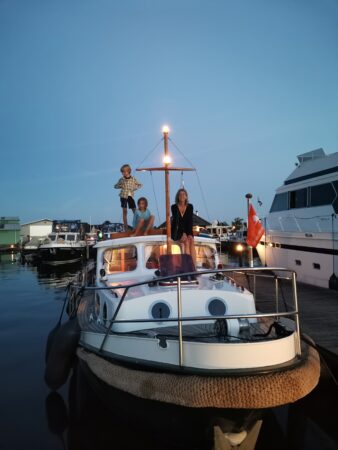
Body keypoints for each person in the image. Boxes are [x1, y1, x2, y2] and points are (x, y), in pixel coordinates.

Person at [171, 188, 196, 266]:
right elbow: (178, 221)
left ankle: (194, 266)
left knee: (191, 240)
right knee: (186, 242)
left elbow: (189, 221)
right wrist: (183, 233)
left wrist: (190, 234)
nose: (182, 196)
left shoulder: (190, 207)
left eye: (183, 194)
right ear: (178, 197)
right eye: (180, 194)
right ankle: (188, 266)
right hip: (176, 231)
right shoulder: (174, 207)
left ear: (186, 197)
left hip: (187, 231)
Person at [114, 164, 142, 231]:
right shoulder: (121, 179)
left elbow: (140, 185)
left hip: (130, 196)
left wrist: (134, 188)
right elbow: (115, 186)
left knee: (134, 210)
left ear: (128, 171)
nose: (123, 173)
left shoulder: (133, 179)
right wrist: (120, 186)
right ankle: (126, 228)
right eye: (122, 172)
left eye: (124, 172)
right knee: (125, 211)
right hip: (123, 196)